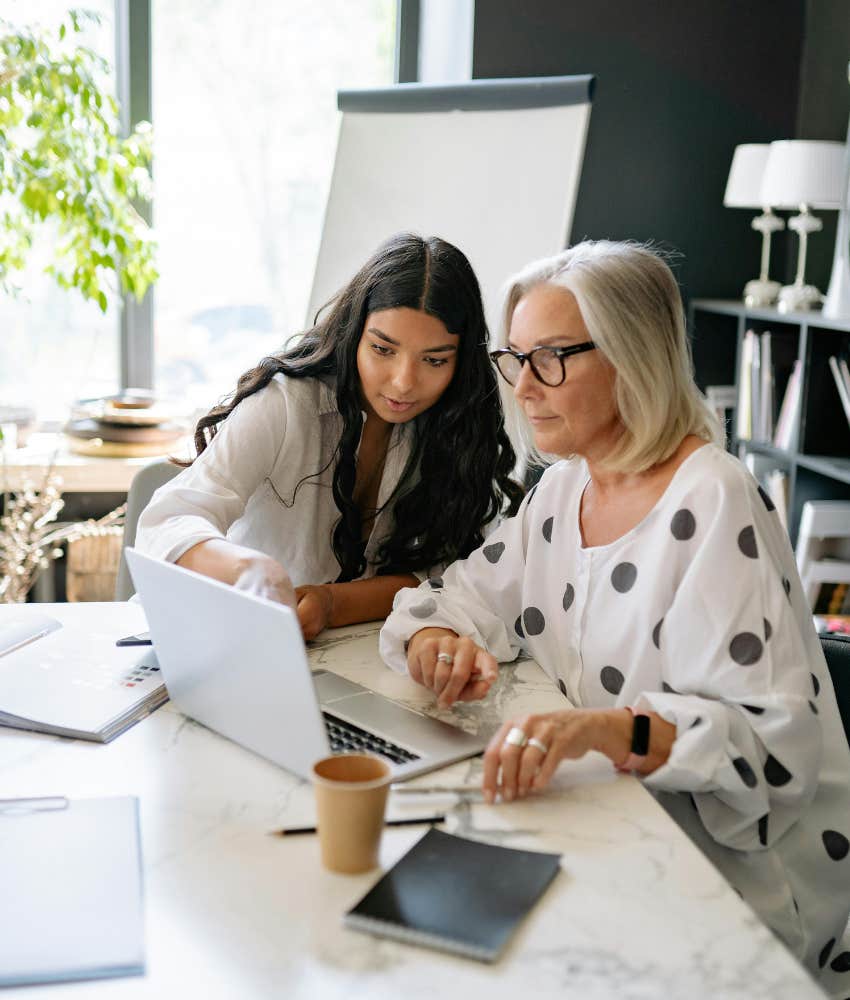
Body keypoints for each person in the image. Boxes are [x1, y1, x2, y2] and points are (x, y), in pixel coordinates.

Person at [379, 240, 850, 991]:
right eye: (516, 358)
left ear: (633, 356)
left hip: (736, 885)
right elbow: (461, 595)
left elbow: (770, 749)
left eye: (552, 359)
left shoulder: (713, 499)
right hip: (614, 819)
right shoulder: (563, 491)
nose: (525, 388)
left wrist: (604, 728)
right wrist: (436, 638)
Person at [136, 232, 523, 638]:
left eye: (434, 360)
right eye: (383, 350)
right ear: (355, 333)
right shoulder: (285, 405)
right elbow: (170, 519)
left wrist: (331, 604)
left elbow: (451, 575)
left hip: (350, 656)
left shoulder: (454, 432)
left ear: (461, 363)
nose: (404, 382)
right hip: (223, 638)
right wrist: (247, 567)